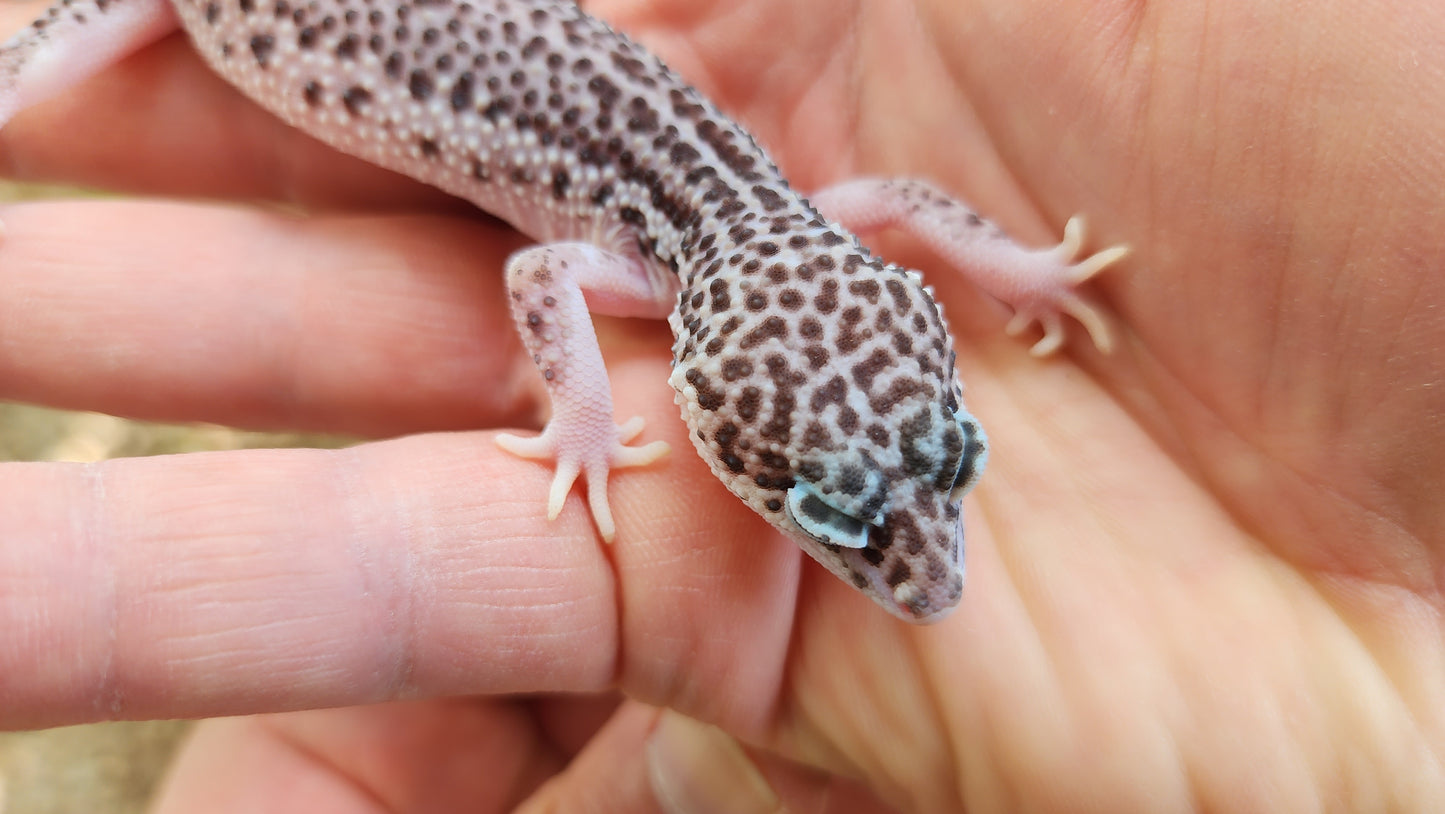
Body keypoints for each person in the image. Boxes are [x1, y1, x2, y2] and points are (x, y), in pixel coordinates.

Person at [1, 0, 1441, 810]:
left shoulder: (787, 226)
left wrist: (1018, 267)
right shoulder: (675, 258)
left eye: (939, 462)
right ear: (698, 387)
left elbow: (897, 202)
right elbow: (543, 275)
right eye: (837, 511)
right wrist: (579, 415)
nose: (925, 564)